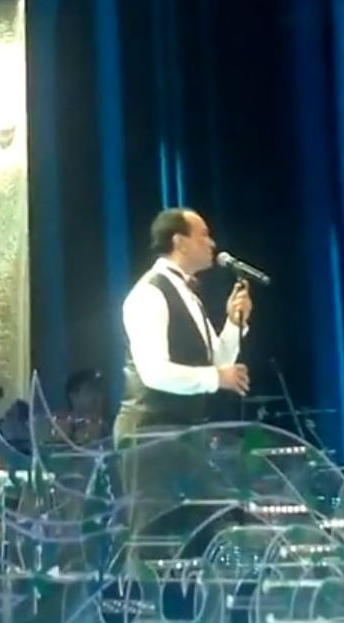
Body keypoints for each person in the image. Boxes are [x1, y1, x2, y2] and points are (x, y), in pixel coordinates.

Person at [113, 207, 255, 574]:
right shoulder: (149, 295)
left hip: (182, 435)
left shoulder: (189, 295)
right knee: (154, 539)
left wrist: (234, 323)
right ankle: (143, 602)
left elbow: (215, 360)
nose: (212, 243)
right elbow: (154, 372)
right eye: (203, 235)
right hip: (149, 435)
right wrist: (217, 379)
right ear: (179, 241)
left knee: (200, 529)